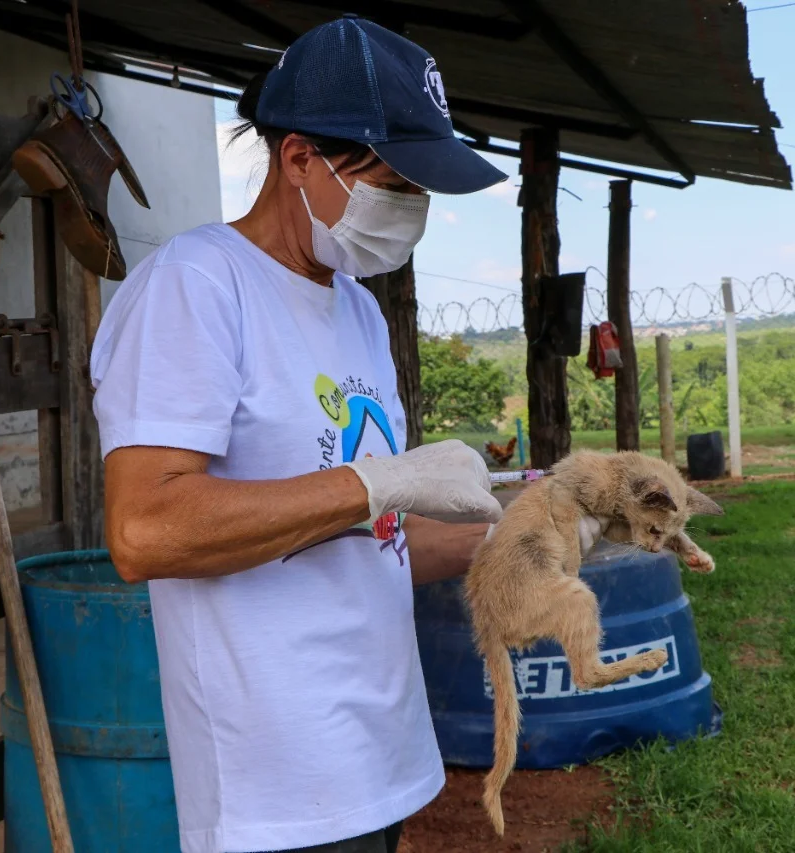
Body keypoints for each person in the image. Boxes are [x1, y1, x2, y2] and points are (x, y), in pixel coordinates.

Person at [89, 16, 511, 853]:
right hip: (277, 789)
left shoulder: (356, 307)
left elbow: (368, 540)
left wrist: (513, 530)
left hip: (377, 758)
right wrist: (377, 481)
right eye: (393, 179)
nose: (411, 207)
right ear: (298, 160)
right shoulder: (195, 286)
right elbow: (143, 530)